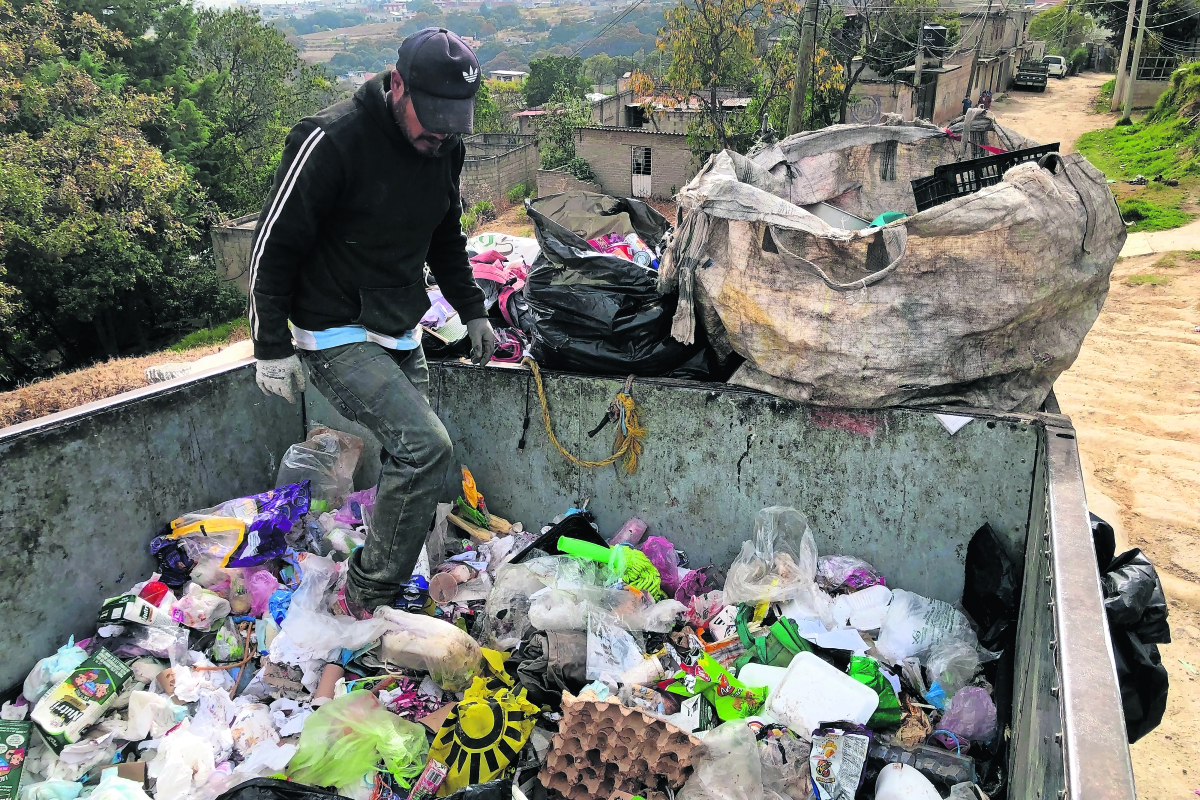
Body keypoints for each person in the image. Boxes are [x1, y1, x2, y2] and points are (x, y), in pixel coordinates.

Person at [249, 28, 495, 619]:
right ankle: (365, 598)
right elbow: (272, 245)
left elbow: (445, 235)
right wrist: (270, 344)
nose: (438, 135)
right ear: (398, 85)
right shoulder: (331, 140)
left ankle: (402, 570)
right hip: (332, 326)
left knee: (407, 462)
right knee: (427, 449)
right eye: (430, 118)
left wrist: (473, 309)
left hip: (399, 324)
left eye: (450, 123)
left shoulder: (445, 147)